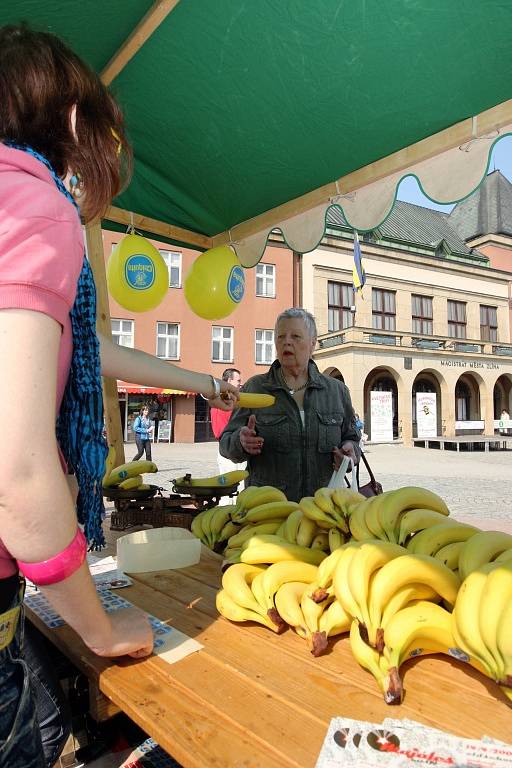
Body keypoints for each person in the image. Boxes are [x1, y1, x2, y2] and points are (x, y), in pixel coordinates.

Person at [0, 24, 239, 768]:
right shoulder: (35, 207)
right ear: (76, 123)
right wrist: (97, 630)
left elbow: (92, 352)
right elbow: (17, 469)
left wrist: (203, 383)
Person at [220, 308, 361, 502]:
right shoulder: (255, 388)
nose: (287, 341)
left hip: (322, 509)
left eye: (295, 336)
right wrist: (240, 442)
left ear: (312, 343)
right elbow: (225, 444)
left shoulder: (336, 391)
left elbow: (352, 439)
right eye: (280, 337)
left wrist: (350, 453)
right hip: (268, 509)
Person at [210, 369, 247, 505]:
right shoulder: (229, 402)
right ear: (229, 381)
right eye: (238, 381)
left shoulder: (216, 399)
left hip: (223, 447)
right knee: (238, 488)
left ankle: (224, 517)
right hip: (233, 446)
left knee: (225, 488)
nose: (240, 384)